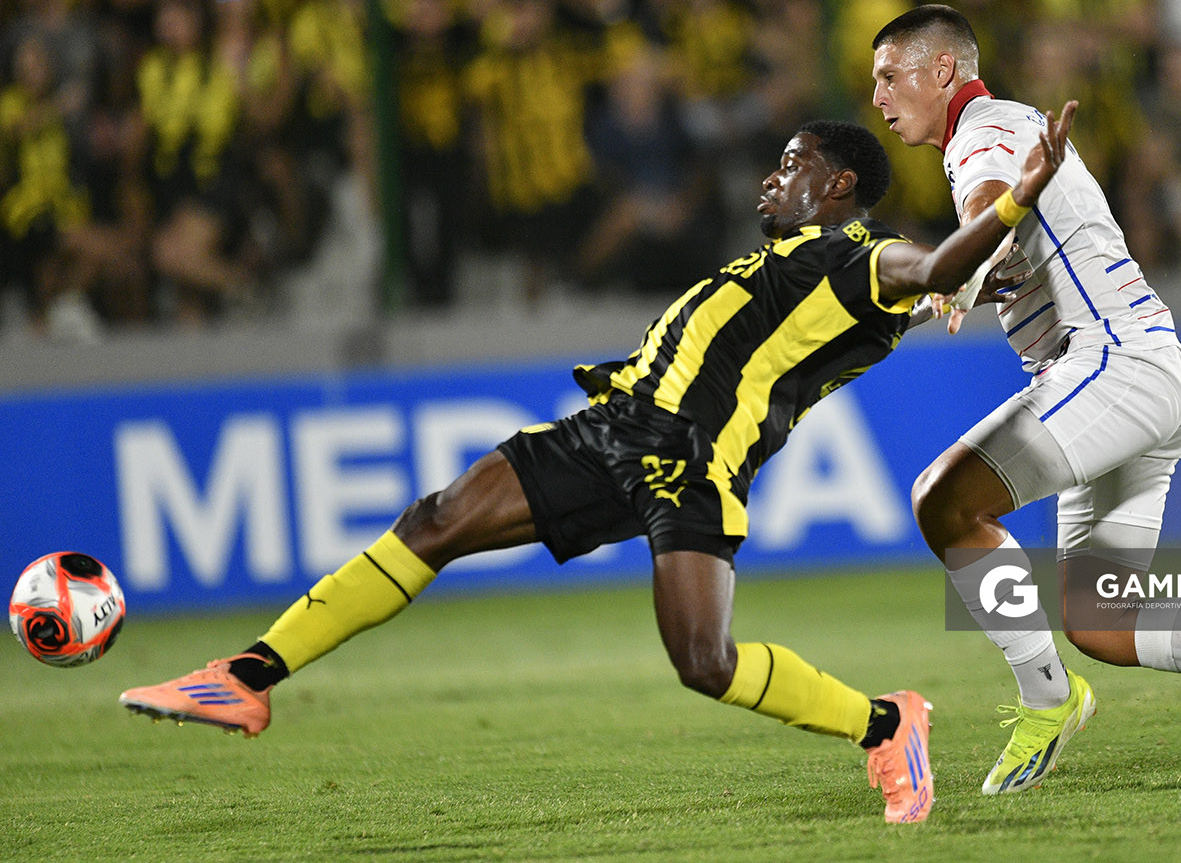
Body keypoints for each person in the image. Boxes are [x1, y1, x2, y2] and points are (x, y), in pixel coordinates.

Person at [118, 112, 1074, 823]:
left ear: (838, 187)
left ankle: (888, 723)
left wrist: (1017, 196)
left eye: (795, 165)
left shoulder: (856, 258)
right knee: (435, 520)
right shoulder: (787, 258)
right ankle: (244, 676)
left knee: (703, 663)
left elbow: (938, 269)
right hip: (613, 429)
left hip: (690, 464)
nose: (771, 179)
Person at [869, 4, 1181, 795]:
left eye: (891, 77)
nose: (880, 98)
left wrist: (955, 265)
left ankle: (1046, 701)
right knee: (1104, 622)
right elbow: (1023, 237)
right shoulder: (1004, 125)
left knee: (944, 502)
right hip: (1147, 370)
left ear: (943, 72)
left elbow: (990, 202)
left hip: (1112, 367)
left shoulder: (982, 128)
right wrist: (965, 281)